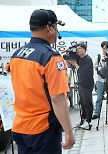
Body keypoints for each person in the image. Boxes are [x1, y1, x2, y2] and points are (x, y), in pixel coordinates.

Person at [10, 9, 75, 154]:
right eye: (57, 27)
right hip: (43, 129)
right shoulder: (51, 57)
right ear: (49, 27)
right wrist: (69, 132)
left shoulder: (17, 55)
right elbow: (58, 98)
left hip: (20, 126)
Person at [69, 43, 94, 130]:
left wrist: (75, 64)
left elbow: (84, 72)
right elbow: (70, 66)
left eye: (79, 48)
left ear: (84, 49)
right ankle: (83, 119)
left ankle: (88, 121)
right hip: (80, 83)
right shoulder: (79, 58)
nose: (77, 50)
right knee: (82, 102)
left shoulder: (88, 59)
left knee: (87, 102)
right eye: (77, 49)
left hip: (87, 84)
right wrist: (71, 62)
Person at [92, 41, 108, 119]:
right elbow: (93, 66)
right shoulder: (98, 56)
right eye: (103, 48)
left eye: (106, 48)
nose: (105, 50)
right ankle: (97, 113)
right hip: (100, 79)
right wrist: (100, 65)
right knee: (99, 97)